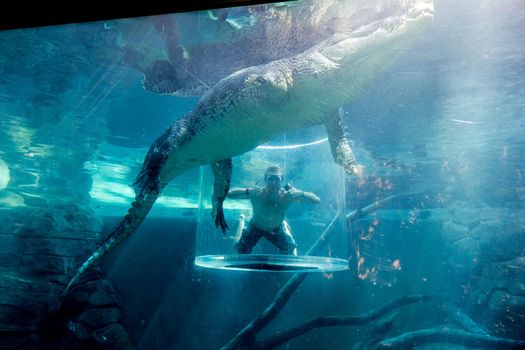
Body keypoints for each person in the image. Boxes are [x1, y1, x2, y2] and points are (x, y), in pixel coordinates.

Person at [227, 166, 320, 256]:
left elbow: (316, 200)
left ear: (281, 181)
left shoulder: (287, 196)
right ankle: (242, 220)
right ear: (265, 181)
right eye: (270, 179)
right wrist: (248, 190)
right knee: (240, 251)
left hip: (276, 228)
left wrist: (301, 193)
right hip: (256, 226)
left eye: (277, 179)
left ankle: (284, 225)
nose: (273, 182)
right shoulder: (257, 194)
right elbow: (229, 194)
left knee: (291, 252)